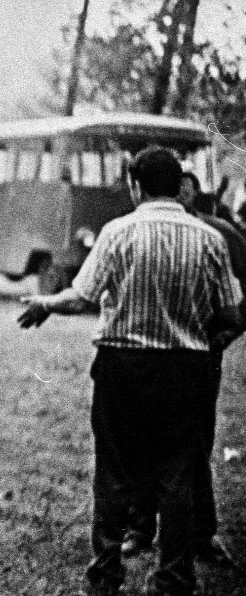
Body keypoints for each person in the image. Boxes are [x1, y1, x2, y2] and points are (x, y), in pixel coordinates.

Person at [18, 146, 242, 596]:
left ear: (136, 186)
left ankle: (105, 572)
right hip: (185, 369)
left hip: (123, 366)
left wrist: (45, 303)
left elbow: (81, 297)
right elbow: (230, 312)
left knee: (115, 468)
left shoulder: (118, 232)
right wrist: (204, 335)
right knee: (178, 473)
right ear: (179, 185)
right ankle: (174, 579)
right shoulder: (210, 239)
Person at [120, 171, 245, 565]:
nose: (182, 193)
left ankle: (200, 534)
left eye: (188, 187)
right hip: (150, 354)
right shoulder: (143, 229)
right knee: (143, 439)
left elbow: (240, 296)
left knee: (194, 444)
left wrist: (224, 337)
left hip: (198, 355)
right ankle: (140, 527)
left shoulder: (219, 235)